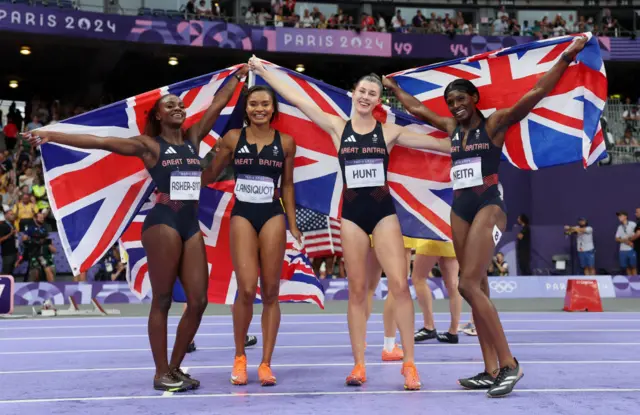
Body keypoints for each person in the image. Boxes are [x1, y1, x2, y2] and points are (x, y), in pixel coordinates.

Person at [383, 36, 587, 397]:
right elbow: (417, 108)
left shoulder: (495, 124)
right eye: (450, 102)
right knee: (478, 285)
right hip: (459, 207)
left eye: (461, 99)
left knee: (465, 284)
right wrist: (394, 87)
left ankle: (510, 364)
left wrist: (567, 57)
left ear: (474, 99)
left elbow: (536, 92)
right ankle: (490, 369)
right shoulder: (450, 129)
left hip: (490, 206)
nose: (455, 105)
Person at [26, 64, 249, 392]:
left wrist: (237, 77)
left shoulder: (192, 138)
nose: (177, 108)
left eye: (180, 104)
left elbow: (216, 105)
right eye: (169, 105)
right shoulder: (149, 146)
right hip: (163, 223)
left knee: (198, 300)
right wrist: (52, 134)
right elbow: (99, 141)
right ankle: (161, 372)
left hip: (189, 224)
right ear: (158, 115)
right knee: (162, 300)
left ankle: (174, 367)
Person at [250, 55, 451, 390]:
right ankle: (359, 364)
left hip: (383, 213)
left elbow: (439, 144)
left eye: (373, 93)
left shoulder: (390, 132)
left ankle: (410, 364)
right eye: (362, 90)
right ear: (353, 93)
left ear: (378, 100)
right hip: (352, 216)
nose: (367, 96)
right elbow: (298, 98)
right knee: (357, 291)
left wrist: (475, 137)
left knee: (399, 286)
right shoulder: (336, 127)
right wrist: (264, 70)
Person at [202, 84, 301, 387]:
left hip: (272, 214)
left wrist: (294, 225)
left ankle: (266, 364)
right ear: (246, 108)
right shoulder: (233, 138)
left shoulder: (286, 142)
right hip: (242, 214)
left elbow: (286, 186)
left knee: (270, 291)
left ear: (274, 109)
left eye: (265, 104)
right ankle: (240, 356)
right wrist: (178, 179)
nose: (259, 109)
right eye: (254, 104)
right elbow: (210, 175)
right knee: (246, 289)